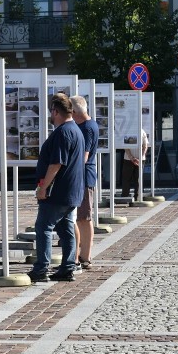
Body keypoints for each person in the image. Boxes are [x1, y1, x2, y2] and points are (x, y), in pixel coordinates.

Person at [28, 92, 85, 283]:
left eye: (51, 112)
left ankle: (41, 268)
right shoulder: (76, 130)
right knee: (66, 228)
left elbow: (56, 164)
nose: (51, 116)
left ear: (56, 111)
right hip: (72, 191)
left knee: (43, 226)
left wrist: (44, 187)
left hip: (58, 191)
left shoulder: (62, 132)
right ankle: (68, 267)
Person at [70, 95, 98, 271]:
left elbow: (84, 156)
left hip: (83, 177)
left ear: (74, 112)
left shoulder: (87, 127)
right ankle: (82, 256)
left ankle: (83, 257)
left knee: (83, 218)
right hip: (84, 177)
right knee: (81, 218)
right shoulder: (88, 124)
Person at [121, 128, 149, 200]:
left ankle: (125, 196)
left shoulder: (128, 130)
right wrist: (140, 157)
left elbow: (126, 146)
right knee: (138, 179)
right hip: (138, 159)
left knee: (127, 179)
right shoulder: (142, 131)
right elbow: (145, 146)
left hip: (128, 158)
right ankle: (138, 197)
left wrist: (132, 158)